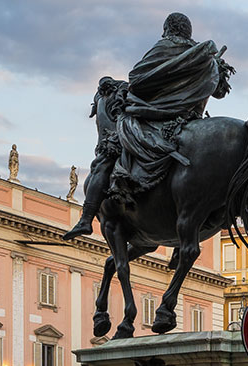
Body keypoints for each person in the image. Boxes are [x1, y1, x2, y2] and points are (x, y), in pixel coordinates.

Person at [64, 13, 234, 240]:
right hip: (193, 120)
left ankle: (86, 219)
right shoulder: (203, 56)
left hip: (160, 120)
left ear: (167, 29)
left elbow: (137, 78)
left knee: (106, 156)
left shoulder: (165, 46)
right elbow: (220, 92)